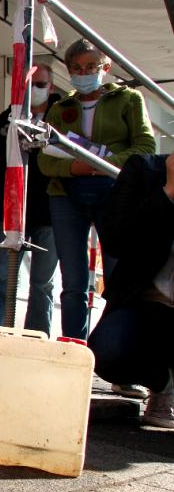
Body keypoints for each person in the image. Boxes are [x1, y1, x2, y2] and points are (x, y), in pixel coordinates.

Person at [38, 39, 156, 342]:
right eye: (76, 68)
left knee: (119, 278)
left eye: (91, 66)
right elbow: (44, 159)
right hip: (67, 195)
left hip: (117, 194)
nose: (84, 72)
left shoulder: (129, 99)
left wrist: (98, 164)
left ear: (105, 67)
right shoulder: (60, 107)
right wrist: (72, 169)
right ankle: (72, 350)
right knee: (73, 280)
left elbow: (145, 147)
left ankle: (115, 352)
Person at [0, 60, 60, 369]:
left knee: (42, 283)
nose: (36, 90)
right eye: (30, 84)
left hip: (50, 212)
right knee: (2, 277)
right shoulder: (8, 116)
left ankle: (34, 351)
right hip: (14, 210)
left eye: (41, 84)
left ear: (52, 87)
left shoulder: (62, 116)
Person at [88, 153, 174, 428]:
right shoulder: (145, 170)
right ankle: (164, 383)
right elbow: (115, 238)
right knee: (107, 353)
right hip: (147, 305)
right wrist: (168, 193)